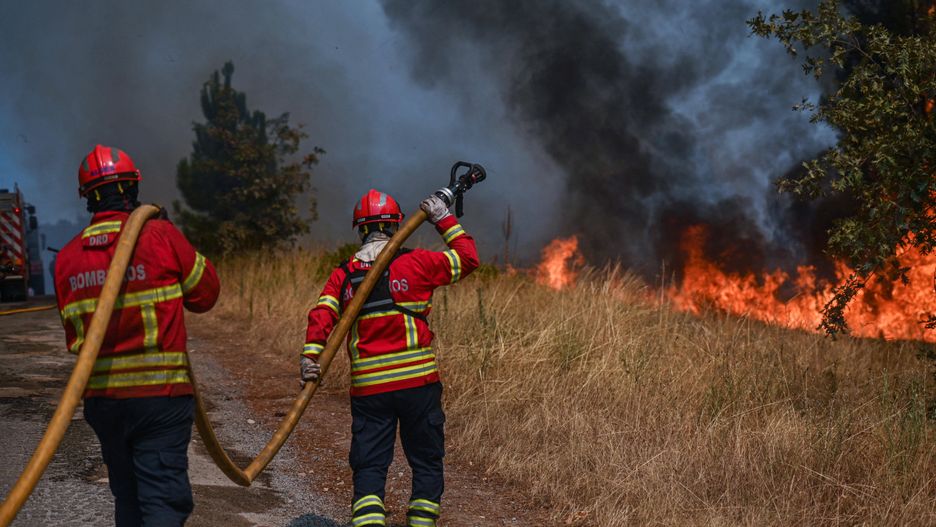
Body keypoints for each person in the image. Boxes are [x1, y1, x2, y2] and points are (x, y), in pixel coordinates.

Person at [54, 144, 220, 526]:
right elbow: (206, 295)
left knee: (128, 499)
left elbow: (72, 335)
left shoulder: (66, 259)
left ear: (87, 199)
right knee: (162, 500)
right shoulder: (160, 235)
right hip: (159, 400)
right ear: (132, 189)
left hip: (104, 403)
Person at [302, 189, 478, 527]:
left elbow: (322, 314)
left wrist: (310, 356)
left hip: (370, 390)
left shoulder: (345, 274)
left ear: (361, 229)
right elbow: (467, 259)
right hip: (418, 384)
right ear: (396, 225)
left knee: (369, 464)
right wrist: (443, 219)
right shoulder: (417, 263)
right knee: (426, 460)